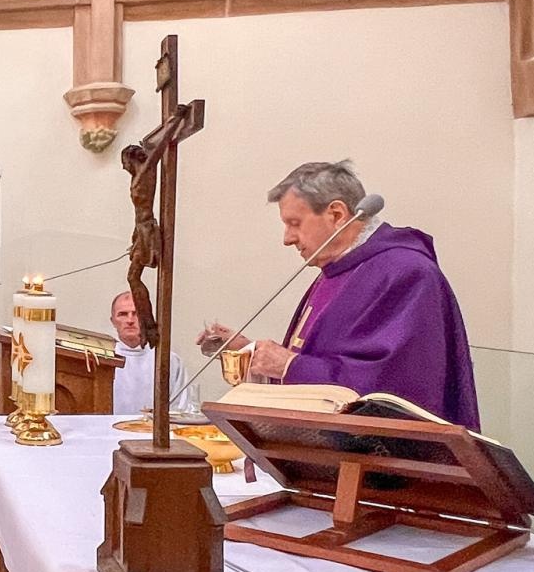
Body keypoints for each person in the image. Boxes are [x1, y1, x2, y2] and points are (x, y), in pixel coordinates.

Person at [200, 160, 480, 429]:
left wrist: (290, 366)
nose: (287, 238)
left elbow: (394, 389)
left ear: (336, 214)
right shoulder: (338, 271)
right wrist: (251, 353)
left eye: (295, 223)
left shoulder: (405, 273)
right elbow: (320, 362)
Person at [110, 291, 188, 415]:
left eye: (136, 313)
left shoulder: (168, 360)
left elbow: (181, 409)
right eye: (123, 314)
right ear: (113, 321)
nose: (130, 320)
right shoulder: (102, 359)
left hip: (151, 427)